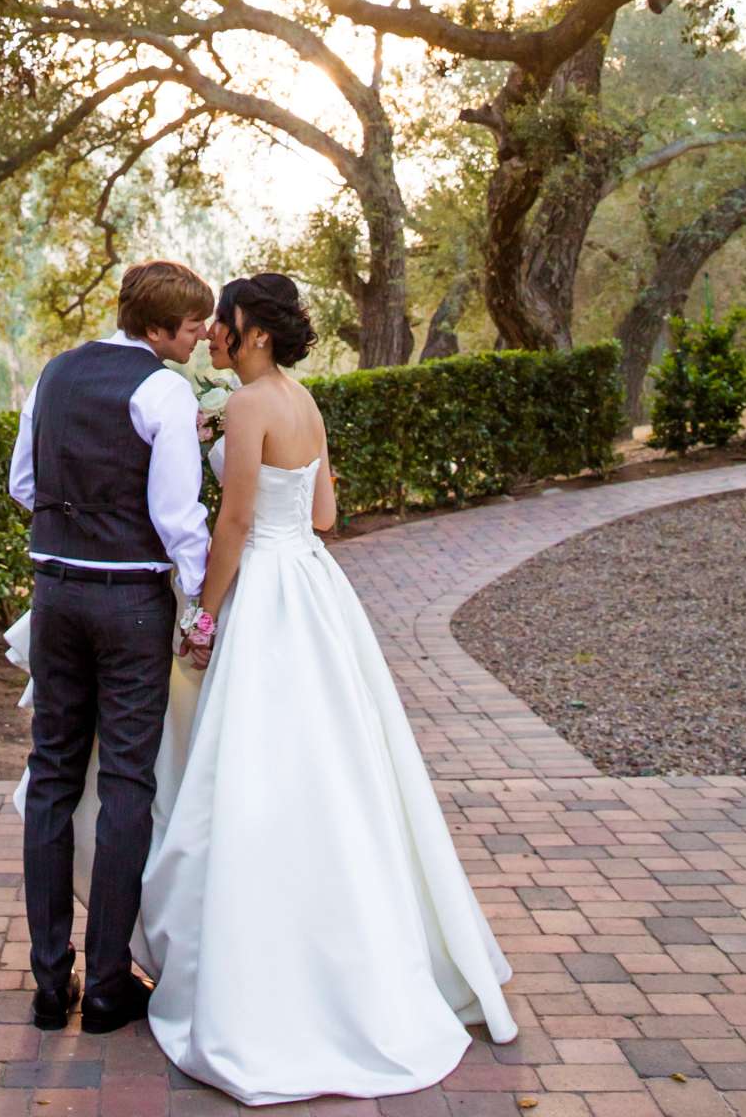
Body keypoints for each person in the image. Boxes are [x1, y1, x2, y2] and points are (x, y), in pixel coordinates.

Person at [139, 273, 518, 1105]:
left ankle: (264, 977)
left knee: (252, 770)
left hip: (266, 594)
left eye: (223, 326)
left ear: (255, 335)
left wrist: (203, 620)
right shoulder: (301, 401)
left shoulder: (246, 408)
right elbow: (323, 516)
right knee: (334, 766)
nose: (211, 337)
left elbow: (234, 523)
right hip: (313, 588)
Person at [6, 257, 213, 1034]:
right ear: (160, 327)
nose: (197, 339)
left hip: (54, 594)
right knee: (127, 782)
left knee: (53, 773)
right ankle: (106, 991)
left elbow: (22, 485)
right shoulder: (162, 389)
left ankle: (47, 981)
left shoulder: (54, 374)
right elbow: (177, 516)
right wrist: (200, 604)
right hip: (128, 604)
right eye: (192, 326)